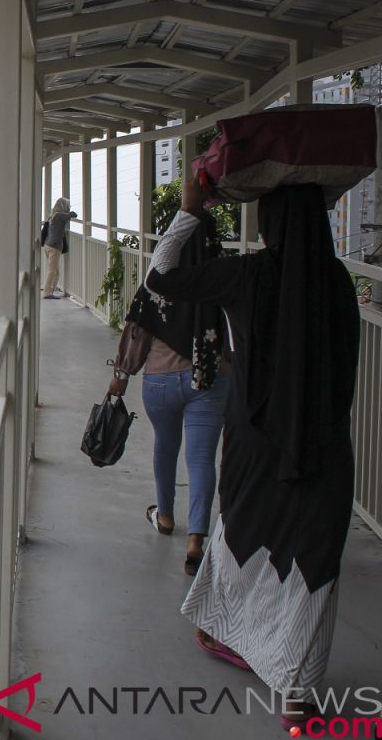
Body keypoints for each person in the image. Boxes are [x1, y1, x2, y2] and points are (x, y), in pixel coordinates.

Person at [148, 178, 360, 730]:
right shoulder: (337, 281)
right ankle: (297, 694)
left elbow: (159, 278)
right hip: (323, 443)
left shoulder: (248, 276)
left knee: (243, 536)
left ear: (268, 224)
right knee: (313, 565)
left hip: (254, 438)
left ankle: (229, 633)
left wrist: (190, 213)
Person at [108, 206, 229, 575]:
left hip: (160, 380)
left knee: (166, 445)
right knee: (202, 458)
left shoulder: (158, 280)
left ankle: (164, 516)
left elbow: (137, 331)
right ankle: (196, 537)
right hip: (208, 378)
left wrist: (122, 376)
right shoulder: (225, 276)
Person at [42, 197, 77, 299]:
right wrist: (69, 212)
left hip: (47, 245)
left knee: (55, 272)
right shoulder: (60, 215)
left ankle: (50, 290)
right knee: (52, 271)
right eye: (67, 206)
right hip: (54, 247)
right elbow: (73, 215)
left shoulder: (53, 214)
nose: (68, 207)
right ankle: (47, 293)